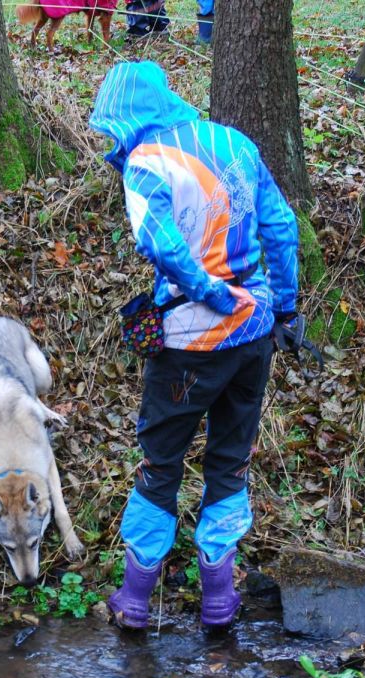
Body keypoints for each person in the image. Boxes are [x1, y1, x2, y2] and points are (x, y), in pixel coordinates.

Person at [88, 61, 301, 630]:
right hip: (254, 336)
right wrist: (287, 308)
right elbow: (282, 227)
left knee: (160, 466)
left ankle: (134, 604)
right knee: (229, 466)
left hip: (187, 342)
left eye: (111, 127)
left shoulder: (143, 164)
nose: (110, 140)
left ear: (129, 116)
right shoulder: (234, 142)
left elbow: (158, 243)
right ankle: (219, 602)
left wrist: (207, 290)